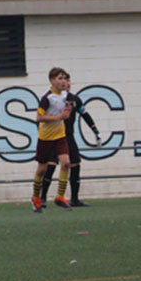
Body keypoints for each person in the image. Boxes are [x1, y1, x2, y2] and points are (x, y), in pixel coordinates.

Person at [41, 73, 101, 208]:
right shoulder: (51, 98)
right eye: (62, 80)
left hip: (68, 136)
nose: (66, 83)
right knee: (50, 166)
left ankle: (74, 198)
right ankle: (42, 197)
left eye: (68, 80)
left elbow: (85, 114)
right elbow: (41, 117)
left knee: (75, 165)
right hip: (54, 136)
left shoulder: (74, 100)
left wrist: (95, 131)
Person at [31, 67, 73, 212]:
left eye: (64, 78)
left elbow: (68, 106)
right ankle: (36, 197)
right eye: (60, 78)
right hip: (46, 137)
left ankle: (59, 197)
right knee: (42, 169)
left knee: (66, 163)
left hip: (59, 135)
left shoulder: (65, 94)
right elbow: (39, 118)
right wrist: (58, 117)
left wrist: (68, 111)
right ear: (52, 81)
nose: (63, 81)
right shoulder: (47, 98)